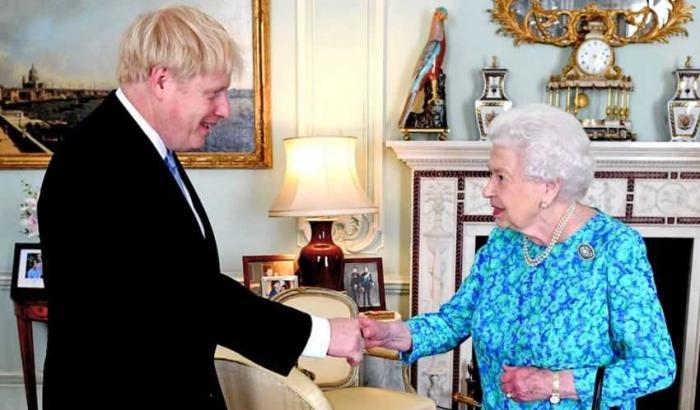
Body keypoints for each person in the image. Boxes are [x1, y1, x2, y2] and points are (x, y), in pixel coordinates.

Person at [37, 6, 363, 410]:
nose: (224, 109)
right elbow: (186, 292)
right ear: (161, 80)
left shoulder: (140, 147)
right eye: (213, 93)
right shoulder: (99, 159)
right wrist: (322, 335)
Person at [361, 104, 676, 409]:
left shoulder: (614, 248)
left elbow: (657, 365)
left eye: (501, 177)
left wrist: (555, 384)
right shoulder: (503, 242)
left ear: (548, 187)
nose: (487, 190)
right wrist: (394, 334)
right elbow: (453, 321)